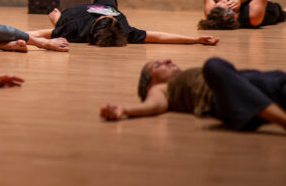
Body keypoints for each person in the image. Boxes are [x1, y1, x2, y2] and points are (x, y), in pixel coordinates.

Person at [100, 57, 286, 132]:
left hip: (256, 85)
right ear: (150, 85)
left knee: (277, 77)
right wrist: (124, 110)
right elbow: (154, 105)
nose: (167, 60)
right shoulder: (161, 89)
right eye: (158, 66)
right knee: (213, 65)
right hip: (223, 100)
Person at [29, 0, 219, 47]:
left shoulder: (74, 29)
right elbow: (159, 37)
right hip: (107, 6)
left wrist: (3, 35)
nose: (112, 19)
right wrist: (195, 40)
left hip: (75, 14)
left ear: (95, 25)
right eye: (113, 20)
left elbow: (36, 33)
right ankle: (58, 20)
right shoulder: (125, 31)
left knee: (60, 21)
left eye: (106, 19)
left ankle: (57, 19)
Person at [199, 0, 286, 30]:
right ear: (234, 12)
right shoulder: (252, 17)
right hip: (268, 12)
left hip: (249, 3)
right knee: (281, 12)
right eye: (223, 3)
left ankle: (261, 0)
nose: (218, 2)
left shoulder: (212, 14)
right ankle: (265, 2)